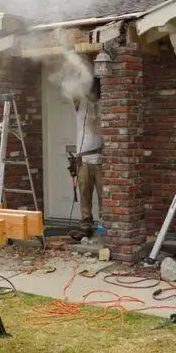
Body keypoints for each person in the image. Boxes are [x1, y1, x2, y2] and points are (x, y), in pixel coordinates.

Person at [70, 77, 102, 241]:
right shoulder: (80, 103)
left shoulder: (104, 104)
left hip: (102, 158)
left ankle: (105, 227)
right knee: (84, 194)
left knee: (104, 195)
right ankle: (85, 226)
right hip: (84, 158)